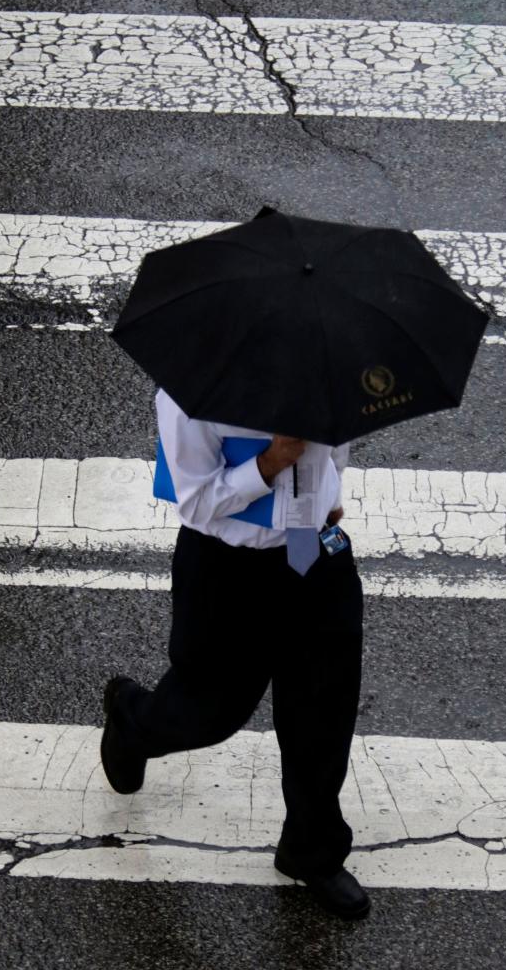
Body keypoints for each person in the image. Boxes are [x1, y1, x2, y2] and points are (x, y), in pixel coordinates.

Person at [99, 386, 369, 919]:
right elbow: (194, 501)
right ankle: (132, 721)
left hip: (309, 549)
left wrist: (328, 488)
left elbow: (337, 443)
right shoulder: (194, 390)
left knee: (323, 711)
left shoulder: (325, 363)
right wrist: (268, 465)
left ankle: (311, 850)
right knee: (207, 713)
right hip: (227, 565)